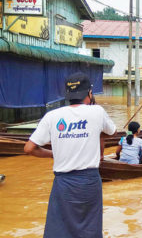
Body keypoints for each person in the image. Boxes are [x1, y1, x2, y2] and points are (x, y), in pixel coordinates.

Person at [24, 72, 117, 238]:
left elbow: (29, 148)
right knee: (89, 228)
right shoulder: (97, 111)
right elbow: (111, 131)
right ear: (89, 93)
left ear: (67, 95)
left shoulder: (52, 116)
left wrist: (53, 154)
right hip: (88, 181)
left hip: (63, 183)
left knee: (60, 230)